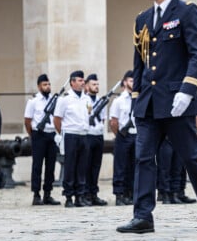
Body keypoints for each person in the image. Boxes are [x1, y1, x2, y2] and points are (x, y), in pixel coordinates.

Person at [117, 0, 197, 234]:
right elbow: (139, 61)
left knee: (191, 157)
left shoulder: (186, 12)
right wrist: (136, 99)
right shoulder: (143, 19)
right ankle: (143, 216)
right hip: (148, 103)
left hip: (176, 102)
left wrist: (188, 89)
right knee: (144, 158)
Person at [53, 70, 90, 208]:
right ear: (72, 82)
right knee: (70, 166)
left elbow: (89, 114)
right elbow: (57, 119)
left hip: (83, 135)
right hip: (71, 134)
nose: (82, 83)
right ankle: (68, 196)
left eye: (83, 81)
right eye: (80, 81)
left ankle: (79, 196)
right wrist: (62, 133)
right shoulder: (65, 99)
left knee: (82, 166)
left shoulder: (86, 99)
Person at [23, 74, 61, 206]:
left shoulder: (54, 100)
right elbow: (27, 120)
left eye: (49, 84)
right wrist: (32, 134)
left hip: (51, 135)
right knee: (37, 166)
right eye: (45, 85)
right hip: (38, 135)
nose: (48, 87)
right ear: (39, 86)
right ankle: (36, 194)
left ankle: (48, 194)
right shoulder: (33, 101)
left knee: (50, 166)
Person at [110, 70, 136, 206]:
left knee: (133, 167)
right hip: (123, 136)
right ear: (125, 82)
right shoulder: (118, 101)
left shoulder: (138, 99)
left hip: (136, 135)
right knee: (120, 166)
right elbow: (113, 122)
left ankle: (130, 193)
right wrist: (120, 135)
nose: (134, 83)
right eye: (131, 80)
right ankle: (119, 195)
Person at [84, 74, 108, 206]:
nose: (96, 86)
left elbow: (103, 118)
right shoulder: (84, 100)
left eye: (97, 84)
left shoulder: (101, 100)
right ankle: (86, 193)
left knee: (96, 166)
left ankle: (94, 193)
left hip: (98, 135)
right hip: (88, 135)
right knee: (86, 166)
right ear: (87, 86)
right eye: (94, 84)